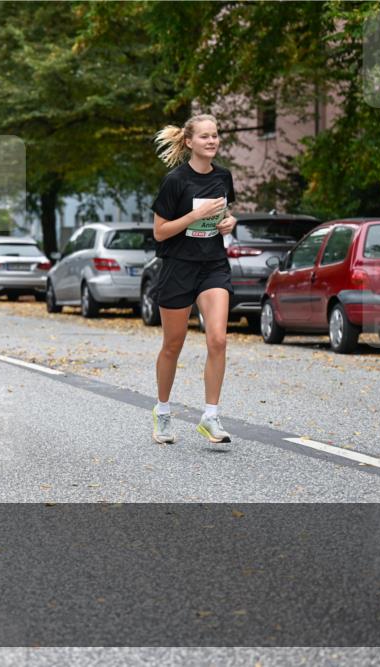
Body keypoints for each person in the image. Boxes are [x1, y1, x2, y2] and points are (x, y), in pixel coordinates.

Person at [150, 113, 238, 446]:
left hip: (213, 265)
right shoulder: (175, 181)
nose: (212, 141)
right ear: (189, 142)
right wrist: (193, 216)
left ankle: (210, 417)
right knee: (174, 343)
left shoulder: (224, 177)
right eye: (205, 136)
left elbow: (226, 215)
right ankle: (162, 412)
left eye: (215, 135)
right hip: (178, 266)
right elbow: (160, 232)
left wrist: (229, 223)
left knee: (218, 339)